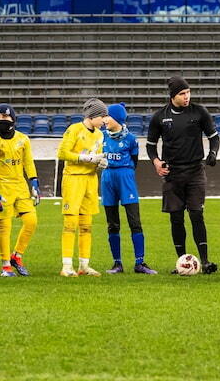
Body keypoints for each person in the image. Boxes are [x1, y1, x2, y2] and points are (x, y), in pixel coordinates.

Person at [146, 76, 220, 274]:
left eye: (188, 92)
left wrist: (213, 153)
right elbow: (150, 146)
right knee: (176, 218)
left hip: (196, 171)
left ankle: (205, 262)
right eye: (182, 93)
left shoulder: (199, 111)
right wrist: (156, 163)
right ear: (173, 96)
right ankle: (182, 262)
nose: (187, 96)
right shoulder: (159, 117)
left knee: (197, 214)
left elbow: (214, 137)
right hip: (172, 174)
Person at [0, 104, 40, 277]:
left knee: (31, 221)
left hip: (20, 186)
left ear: (13, 120)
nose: (2, 120)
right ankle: (5, 266)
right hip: (1, 187)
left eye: (6, 117)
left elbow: (28, 162)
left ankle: (17, 256)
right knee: (4, 227)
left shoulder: (23, 139)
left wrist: (34, 182)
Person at [57, 98, 108, 277]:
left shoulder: (100, 135)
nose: (105, 120)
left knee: (87, 225)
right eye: (102, 116)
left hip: (90, 181)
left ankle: (84, 266)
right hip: (73, 180)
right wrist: (85, 158)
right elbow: (62, 153)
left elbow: (95, 157)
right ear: (93, 115)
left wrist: (100, 164)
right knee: (70, 223)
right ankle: (66, 266)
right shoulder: (74, 130)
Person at [101, 103, 153, 275]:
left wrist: (124, 171)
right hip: (107, 178)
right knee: (112, 224)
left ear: (117, 118)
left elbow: (135, 161)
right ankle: (117, 264)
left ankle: (140, 263)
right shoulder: (101, 137)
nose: (104, 119)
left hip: (126, 178)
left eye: (107, 116)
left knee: (134, 221)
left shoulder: (131, 139)